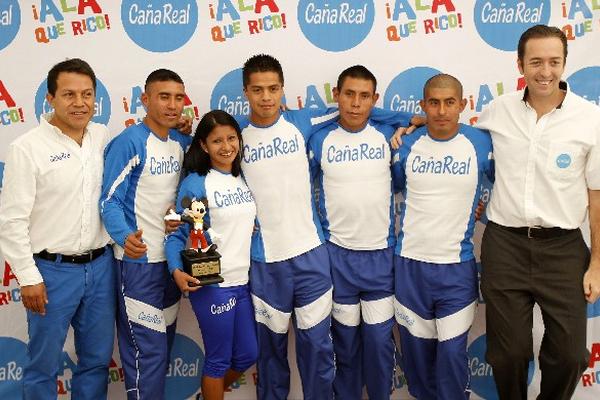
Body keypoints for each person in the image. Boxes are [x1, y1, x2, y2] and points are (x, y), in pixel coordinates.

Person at [239, 54, 417, 400]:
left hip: (316, 258)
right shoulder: (234, 135)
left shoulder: (302, 122)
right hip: (269, 260)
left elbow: (361, 112)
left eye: (273, 89)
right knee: (273, 352)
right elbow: (206, 154)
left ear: (282, 90)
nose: (265, 97)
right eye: (257, 90)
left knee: (326, 350)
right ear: (246, 91)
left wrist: (414, 119)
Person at [477, 24, 600, 400]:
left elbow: (596, 199)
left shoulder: (590, 119)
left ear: (564, 64)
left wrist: (596, 264)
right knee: (508, 353)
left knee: (568, 355)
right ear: (520, 64)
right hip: (505, 245)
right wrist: (417, 125)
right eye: (536, 62)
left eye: (554, 61)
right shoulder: (496, 111)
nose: (545, 71)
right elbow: (457, 139)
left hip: (563, 249)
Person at [0, 58, 116, 399]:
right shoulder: (27, 148)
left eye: (87, 94)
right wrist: (28, 276)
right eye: (69, 94)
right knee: (43, 365)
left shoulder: (101, 135)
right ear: (49, 98)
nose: (79, 103)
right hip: (51, 272)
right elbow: (11, 219)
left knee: (95, 361)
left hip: (101, 266)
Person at [393, 74, 494, 400]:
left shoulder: (482, 143)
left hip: (456, 270)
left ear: (463, 105)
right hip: (410, 271)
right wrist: (401, 127)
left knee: (451, 359)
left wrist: (485, 207)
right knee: (419, 368)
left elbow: (514, 181)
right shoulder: (405, 142)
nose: (441, 110)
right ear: (422, 106)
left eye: (450, 102)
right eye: (433, 103)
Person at [308, 65, 402, 400]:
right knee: (345, 346)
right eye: (349, 94)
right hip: (337, 259)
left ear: (375, 100)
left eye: (365, 96)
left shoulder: (389, 134)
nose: (356, 103)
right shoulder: (318, 138)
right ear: (337, 95)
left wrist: (415, 120)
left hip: (380, 258)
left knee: (378, 345)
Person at [100, 69, 193, 400]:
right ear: (145, 99)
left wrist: (175, 217)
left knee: (161, 351)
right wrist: (125, 236)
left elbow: (180, 196)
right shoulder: (129, 142)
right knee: (147, 357)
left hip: (169, 265)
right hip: (137, 265)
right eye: (163, 96)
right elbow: (109, 201)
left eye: (178, 97)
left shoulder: (180, 142)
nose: (172, 105)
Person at [165, 110, 258, 400]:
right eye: (217, 141)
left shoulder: (241, 176)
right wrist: (175, 270)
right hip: (212, 285)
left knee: (247, 354)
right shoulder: (197, 183)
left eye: (232, 138)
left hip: (241, 281)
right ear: (204, 146)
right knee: (217, 361)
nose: (226, 146)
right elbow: (177, 234)